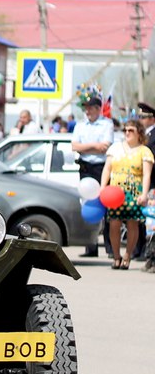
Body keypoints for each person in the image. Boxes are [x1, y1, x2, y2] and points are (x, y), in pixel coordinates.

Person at [99, 118, 154, 269]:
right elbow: (107, 169)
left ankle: (128, 256)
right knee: (114, 223)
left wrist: (144, 194)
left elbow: (146, 175)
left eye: (131, 130)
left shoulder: (145, 151)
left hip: (134, 192)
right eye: (125, 130)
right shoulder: (115, 148)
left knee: (132, 224)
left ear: (139, 133)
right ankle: (116, 256)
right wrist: (103, 187)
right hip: (115, 192)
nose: (127, 133)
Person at [71, 96, 114, 257]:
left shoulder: (106, 124)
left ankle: (110, 247)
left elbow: (105, 147)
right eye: (86, 108)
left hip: (101, 168)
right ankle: (91, 246)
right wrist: (94, 146)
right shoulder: (80, 125)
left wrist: (86, 148)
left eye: (90, 108)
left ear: (98, 108)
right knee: (89, 205)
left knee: (106, 205)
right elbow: (75, 146)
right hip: (85, 167)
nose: (87, 111)